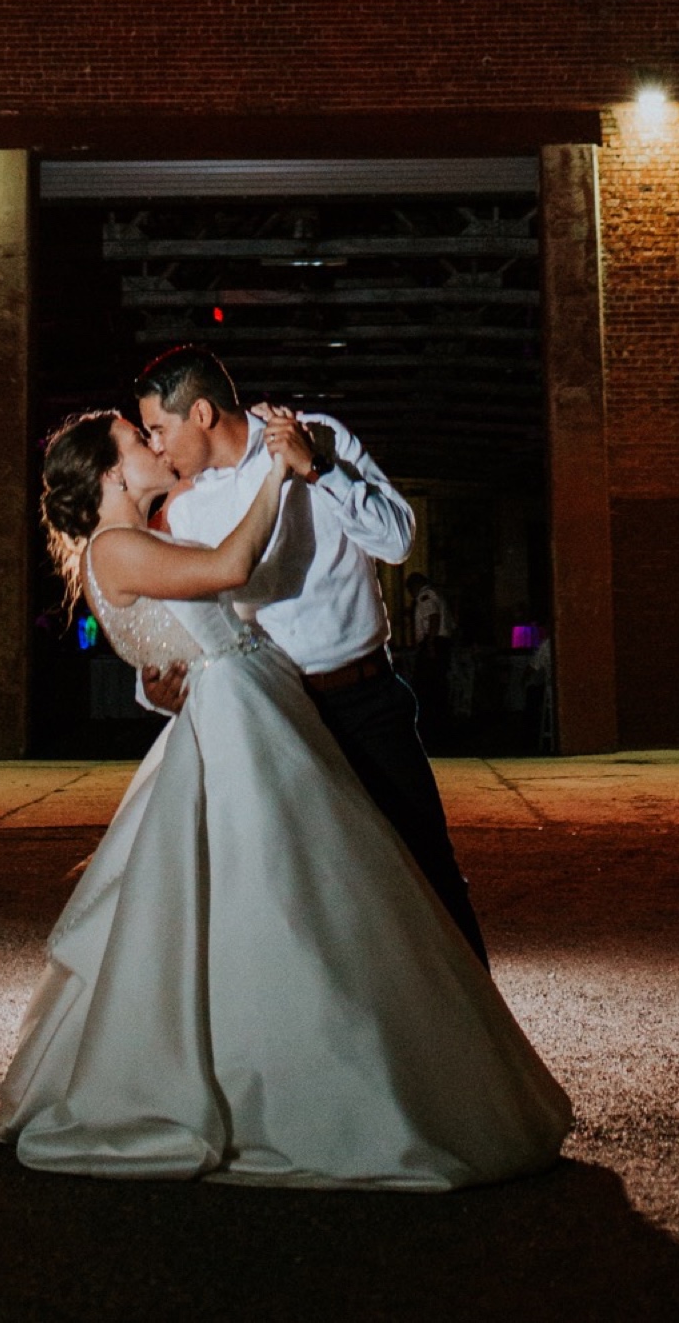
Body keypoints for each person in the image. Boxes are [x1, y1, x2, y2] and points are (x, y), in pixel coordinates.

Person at [0, 409, 571, 1188]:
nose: (153, 444)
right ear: (109, 476)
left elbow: (179, 632)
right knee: (284, 891)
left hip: (247, 701)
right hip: (240, 717)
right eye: (138, 440)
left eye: (152, 429)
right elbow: (232, 569)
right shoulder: (121, 544)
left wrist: (165, 680)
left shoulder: (137, 538)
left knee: (300, 889)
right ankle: (305, 1083)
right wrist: (279, 472)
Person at [135, 343, 486, 962]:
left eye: (158, 429)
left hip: (366, 700)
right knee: (304, 891)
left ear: (202, 414)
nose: (155, 446)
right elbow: (190, 627)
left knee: (426, 869)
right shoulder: (186, 511)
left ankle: (477, 1037)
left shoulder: (317, 435)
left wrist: (320, 470)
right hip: (275, 720)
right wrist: (155, 689)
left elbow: (399, 540)